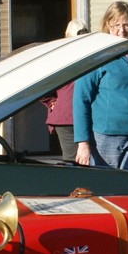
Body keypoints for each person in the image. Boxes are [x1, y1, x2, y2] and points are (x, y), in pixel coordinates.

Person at [73, 2, 128, 173]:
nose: (122, 30)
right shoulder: (97, 56)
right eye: (116, 25)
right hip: (106, 138)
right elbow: (81, 99)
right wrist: (83, 142)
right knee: (109, 189)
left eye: (126, 24)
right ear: (107, 26)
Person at [41, 19, 88, 161]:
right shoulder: (61, 58)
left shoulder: (58, 57)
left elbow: (43, 84)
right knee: (78, 160)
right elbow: (43, 84)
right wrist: (51, 102)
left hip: (69, 115)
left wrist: (51, 102)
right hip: (69, 116)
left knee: (74, 160)